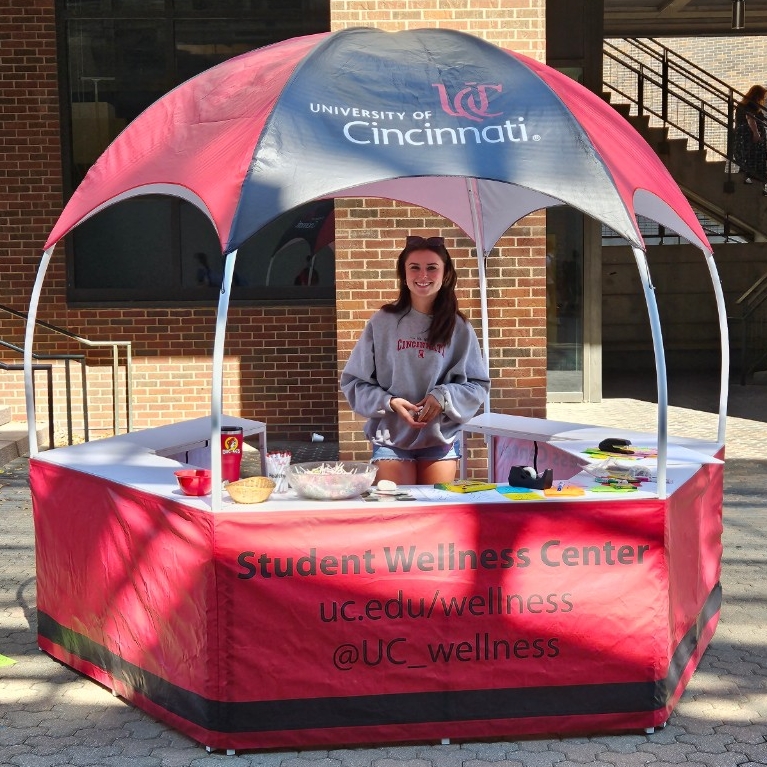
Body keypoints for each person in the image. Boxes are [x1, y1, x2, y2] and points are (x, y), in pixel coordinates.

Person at [340, 235, 490, 485]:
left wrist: (443, 396)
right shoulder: (382, 322)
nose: (423, 275)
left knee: (435, 512)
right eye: (415, 267)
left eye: (432, 267)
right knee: (398, 512)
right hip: (391, 436)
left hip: (440, 437)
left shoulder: (459, 327)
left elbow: (478, 385)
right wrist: (389, 402)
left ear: (445, 274)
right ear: (403, 273)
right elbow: (353, 382)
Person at [733, 84, 767, 191]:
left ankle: (753, 183)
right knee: (754, 160)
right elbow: (750, 118)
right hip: (748, 137)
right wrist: (756, 133)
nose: (763, 98)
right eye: (762, 96)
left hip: (744, 137)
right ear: (757, 95)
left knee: (748, 160)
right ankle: (755, 184)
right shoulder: (750, 105)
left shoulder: (744, 104)